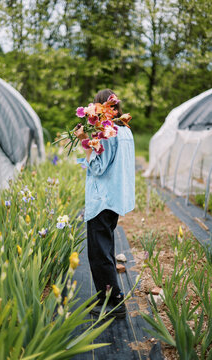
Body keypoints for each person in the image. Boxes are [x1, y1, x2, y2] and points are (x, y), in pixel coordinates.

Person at [75, 89, 135, 318]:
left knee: (99, 254)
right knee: (106, 249)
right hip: (115, 197)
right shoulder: (125, 130)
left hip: (102, 199)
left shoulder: (109, 132)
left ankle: (115, 303)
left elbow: (99, 167)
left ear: (102, 107)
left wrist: (85, 142)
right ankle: (106, 297)